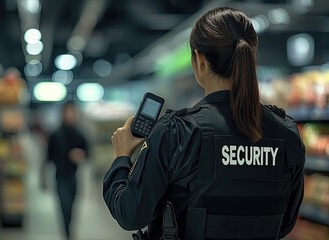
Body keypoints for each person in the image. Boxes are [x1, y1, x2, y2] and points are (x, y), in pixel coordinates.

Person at [103, 7, 305, 240]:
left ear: (199, 60)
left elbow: (130, 214)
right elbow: (286, 222)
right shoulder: (287, 133)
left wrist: (121, 159)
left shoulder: (177, 132)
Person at [44, 101, 89, 240]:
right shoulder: (55, 134)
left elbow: (88, 152)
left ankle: (69, 231)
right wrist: (42, 178)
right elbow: (47, 157)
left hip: (73, 176)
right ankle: (67, 234)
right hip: (60, 176)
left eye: (72, 112)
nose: (70, 115)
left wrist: (80, 154)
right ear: (63, 114)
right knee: (65, 206)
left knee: (72, 208)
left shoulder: (80, 134)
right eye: (68, 112)